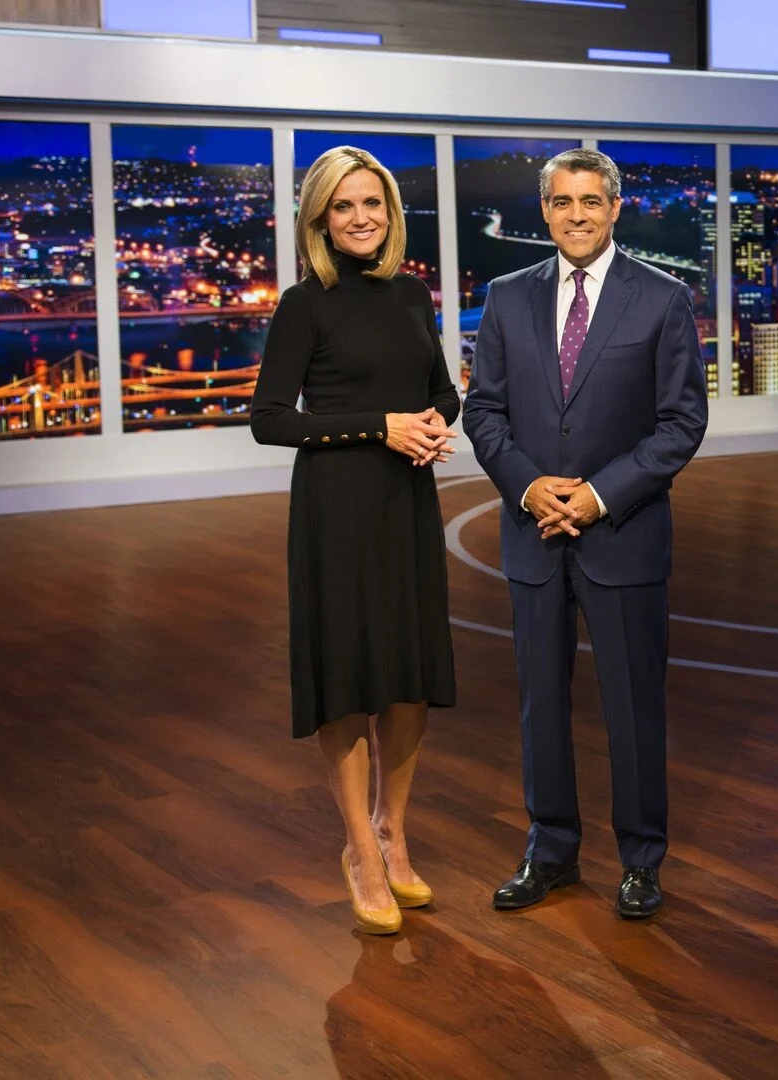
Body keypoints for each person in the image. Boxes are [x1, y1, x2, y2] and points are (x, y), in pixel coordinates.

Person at [462, 148, 708, 920]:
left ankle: (641, 860)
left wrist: (599, 496)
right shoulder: (506, 297)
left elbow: (681, 424)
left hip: (623, 535)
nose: (577, 215)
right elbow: (484, 411)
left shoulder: (663, 299)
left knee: (634, 707)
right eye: (563, 201)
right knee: (540, 704)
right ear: (545, 211)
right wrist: (530, 486)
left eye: (591, 201)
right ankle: (551, 851)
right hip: (533, 533)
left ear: (614, 207)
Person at [251, 146, 460, 935]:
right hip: (335, 509)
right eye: (344, 205)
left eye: (373, 202)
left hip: (407, 501)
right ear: (320, 219)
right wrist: (381, 427)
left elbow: (442, 391)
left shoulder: (411, 294)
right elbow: (270, 420)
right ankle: (360, 853)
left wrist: (435, 422)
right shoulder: (305, 304)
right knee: (347, 677)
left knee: (407, 678)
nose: (361, 217)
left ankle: (392, 831)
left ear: (391, 212)